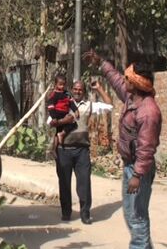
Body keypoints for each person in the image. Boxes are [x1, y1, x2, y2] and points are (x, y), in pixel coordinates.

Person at [84, 49, 162, 248]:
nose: (124, 81)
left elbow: (146, 149)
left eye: (128, 78)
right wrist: (101, 62)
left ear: (135, 84)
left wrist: (137, 175)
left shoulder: (148, 112)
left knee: (137, 216)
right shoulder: (131, 98)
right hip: (130, 166)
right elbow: (115, 78)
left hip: (138, 170)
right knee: (131, 214)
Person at [49, 78, 114, 225]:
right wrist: (62, 122)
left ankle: (85, 214)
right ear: (71, 89)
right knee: (64, 183)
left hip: (82, 151)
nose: (78, 91)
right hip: (63, 150)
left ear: (83, 92)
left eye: (81, 89)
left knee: (84, 183)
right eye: (76, 89)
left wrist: (99, 88)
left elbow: (110, 106)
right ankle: (66, 213)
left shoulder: (89, 105)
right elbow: (50, 121)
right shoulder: (62, 103)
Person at [47, 74, 79, 149]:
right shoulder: (54, 94)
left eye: (63, 85)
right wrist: (54, 117)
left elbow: (71, 103)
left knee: (73, 123)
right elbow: (50, 106)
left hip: (65, 113)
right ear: (56, 84)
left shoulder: (67, 94)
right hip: (57, 113)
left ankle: (61, 135)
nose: (62, 86)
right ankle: (54, 149)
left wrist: (76, 110)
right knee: (56, 130)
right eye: (60, 84)